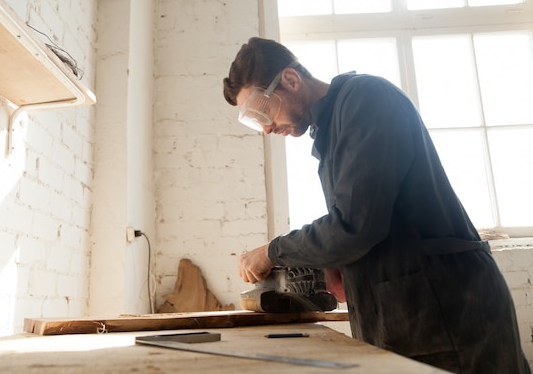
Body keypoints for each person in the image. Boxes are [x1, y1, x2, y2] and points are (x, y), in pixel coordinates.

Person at [222, 36, 531, 374]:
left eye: (261, 111)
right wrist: (337, 264)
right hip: (408, 312)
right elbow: (363, 223)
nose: (265, 128)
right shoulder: (330, 130)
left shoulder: (365, 99)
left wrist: (273, 250)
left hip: (447, 309)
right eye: (254, 121)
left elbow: (354, 227)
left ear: (291, 80)